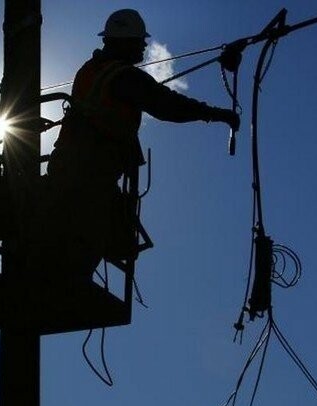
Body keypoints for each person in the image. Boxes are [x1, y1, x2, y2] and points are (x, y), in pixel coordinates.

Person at [39, 9, 239, 284]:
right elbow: (168, 105)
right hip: (90, 177)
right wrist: (216, 114)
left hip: (68, 169)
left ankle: (56, 279)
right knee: (87, 243)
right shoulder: (123, 77)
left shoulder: (90, 70)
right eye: (139, 41)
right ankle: (65, 287)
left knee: (74, 238)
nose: (144, 46)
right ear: (125, 41)